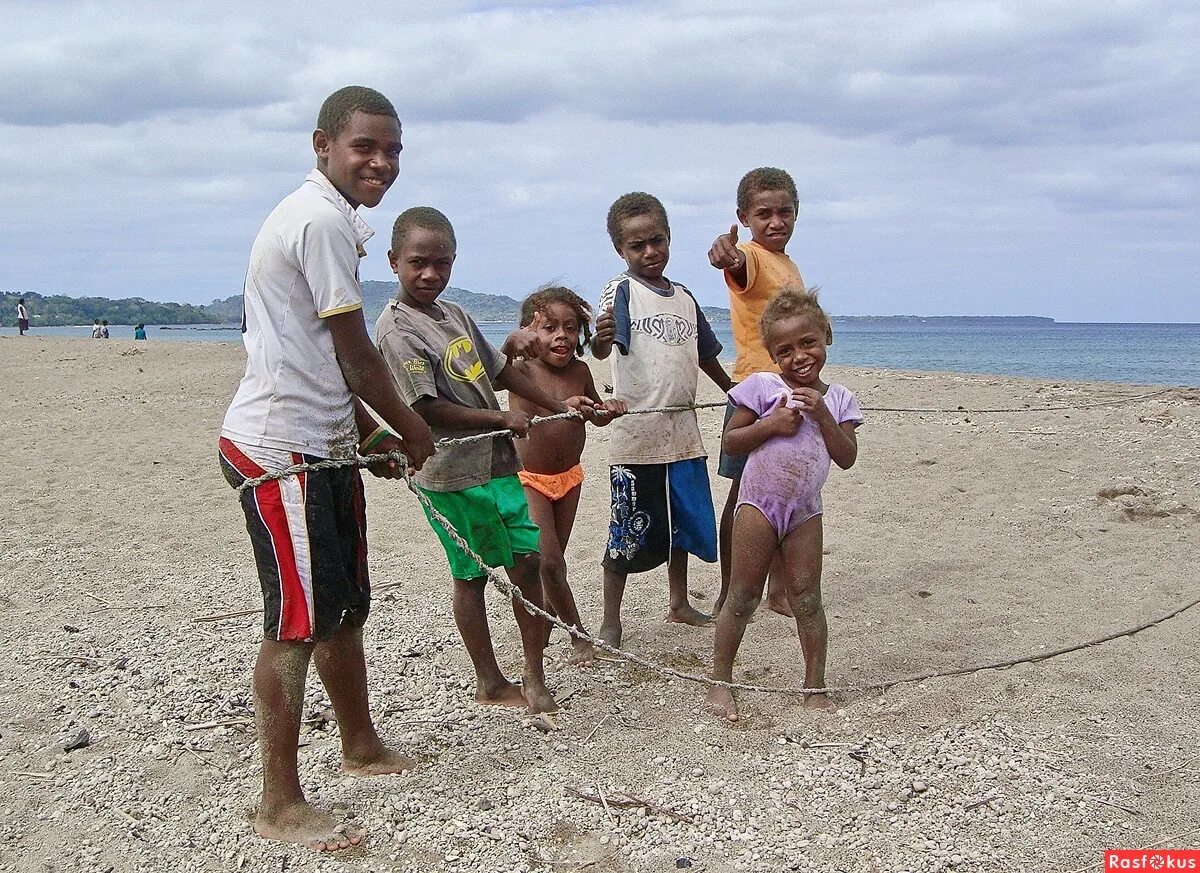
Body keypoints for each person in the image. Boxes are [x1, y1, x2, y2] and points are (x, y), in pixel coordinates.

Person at [217, 85, 435, 853]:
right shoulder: (317, 221)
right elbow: (355, 353)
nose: (382, 161)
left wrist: (368, 434)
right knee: (297, 622)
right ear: (323, 145)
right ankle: (279, 800)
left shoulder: (335, 221)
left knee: (344, 607)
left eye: (394, 149)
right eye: (365, 147)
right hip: (283, 446)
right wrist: (410, 428)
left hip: (325, 438)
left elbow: (322, 358)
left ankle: (361, 744)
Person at [375, 207, 597, 712]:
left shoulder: (454, 315)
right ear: (393, 262)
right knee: (471, 577)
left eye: (442, 263)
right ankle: (490, 681)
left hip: (499, 466)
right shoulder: (396, 328)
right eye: (418, 263)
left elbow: (500, 371)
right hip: (451, 475)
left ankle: (534, 673)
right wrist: (500, 421)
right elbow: (424, 406)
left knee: (528, 564)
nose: (431, 274)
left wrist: (555, 404)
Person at [705, 287, 861, 722]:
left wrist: (824, 416)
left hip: (805, 512)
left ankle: (815, 686)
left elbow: (846, 457)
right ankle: (721, 681)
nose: (799, 356)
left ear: (826, 336)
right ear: (773, 354)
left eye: (808, 342)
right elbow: (732, 441)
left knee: (808, 598)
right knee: (742, 595)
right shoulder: (762, 387)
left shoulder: (841, 399)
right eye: (785, 349)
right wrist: (772, 424)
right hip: (757, 506)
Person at [591, 191, 732, 647]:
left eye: (657, 240)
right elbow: (601, 345)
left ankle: (678, 601)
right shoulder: (622, 291)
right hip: (637, 437)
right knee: (626, 529)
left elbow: (706, 355)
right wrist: (599, 339)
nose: (650, 252)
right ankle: (611, 621)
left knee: (680, 524)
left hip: (683, 434)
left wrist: (735, 391)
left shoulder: (686, 298)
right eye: (638, 246)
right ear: (620, 250)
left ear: (669, 238)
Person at [707, 167, 807, 618]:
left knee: (787, 491)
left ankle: (778, 590)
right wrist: (726, 253)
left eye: (784, 212)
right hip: (757, 390)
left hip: (793, 391)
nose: (775, 222)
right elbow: (736, 265)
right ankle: (732, 590)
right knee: (744, 496)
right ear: (744, 217)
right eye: (763, 213)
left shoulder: (789, 264)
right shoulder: (750, 255)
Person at [509, 287, 626, 665]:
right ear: (530, 332)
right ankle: (578, 635)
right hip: (530, 479)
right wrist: (512, 346)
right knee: (549, 563)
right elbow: (487, 376)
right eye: (548, 328)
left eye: (570, 328)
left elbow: (592, 412)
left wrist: (605, 410)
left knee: (553, 564)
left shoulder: (581, 370)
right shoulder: (521, 370)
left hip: (569, 478)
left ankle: (539, 633)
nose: (561, 336)